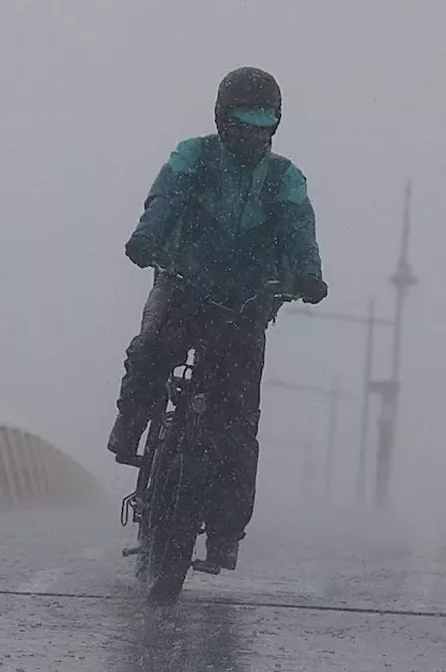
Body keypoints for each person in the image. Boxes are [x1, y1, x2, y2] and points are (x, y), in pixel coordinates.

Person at [107, 66, 328, 570]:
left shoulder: (284, 178)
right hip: (183, 283)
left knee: (238, 422)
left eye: (262, 124)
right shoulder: (194, 156)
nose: (252, 134)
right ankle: (131, 420)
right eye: (243, 122)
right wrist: (147, 238)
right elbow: (163, 200)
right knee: (151, 351)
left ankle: (225, 534)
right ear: (222, 120)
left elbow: (299, 229)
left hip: (247, 303)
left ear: (274, 127)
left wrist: (308, 275)